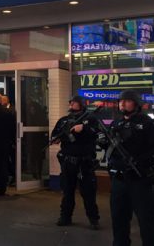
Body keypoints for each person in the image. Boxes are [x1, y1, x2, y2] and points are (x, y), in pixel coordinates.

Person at [101, 90, 154, 246]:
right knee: (119, 220)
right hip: (119, 181)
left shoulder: (147, 123)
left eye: (127, 101)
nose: (122, 103)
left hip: (140, 181)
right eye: (120, 101)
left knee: (146, 222)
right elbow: (112, 149)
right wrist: (103, 143)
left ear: (136, 104)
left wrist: (139, 162)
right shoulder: (117, 123)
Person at [51, 95, 101, 229]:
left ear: (81, 104)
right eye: (71, 102)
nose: (71, 104)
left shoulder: (90, 119)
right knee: (67, 191)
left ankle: (93, 219)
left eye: (74, 102)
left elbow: (98, 133)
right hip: (68, 161)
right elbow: (54, 135)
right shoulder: (64, 120)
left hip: (85, 162)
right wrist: (56, 138)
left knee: (88, 192)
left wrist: (83, 129)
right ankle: (65, 216)